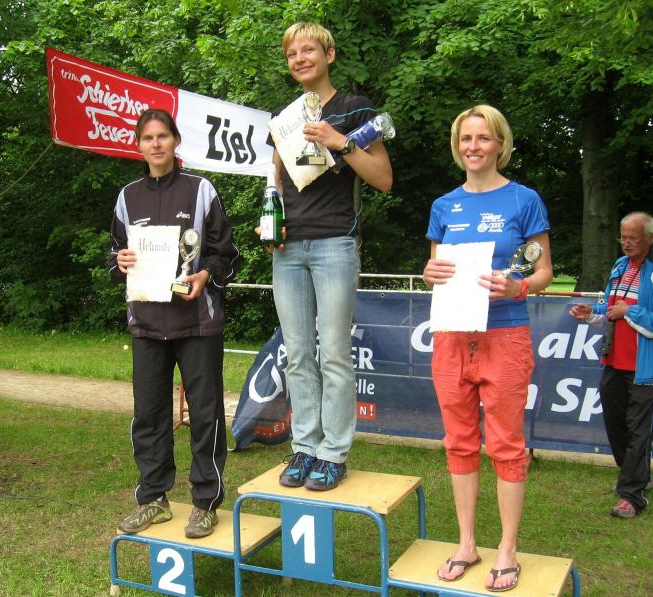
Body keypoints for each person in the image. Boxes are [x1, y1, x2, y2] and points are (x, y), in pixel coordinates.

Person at [422, 105, 553, 592]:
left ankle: (507, 549)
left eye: (482, 138)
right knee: (458, 442)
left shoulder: (524, 199)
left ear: (500, 144)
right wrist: (428, 273)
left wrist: (518, 286)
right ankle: (467, 544)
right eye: (465, 139)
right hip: (452, 335)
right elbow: (435, 270)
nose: (473, 146)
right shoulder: (443, 205)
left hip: (505, 335)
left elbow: (542, 271)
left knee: (506, 446)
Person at [262, 22, 392, 491]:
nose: (300, 59)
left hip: (335, 243)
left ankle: (333, 453)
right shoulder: (283, 118)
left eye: (308, 50)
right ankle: (304, 448)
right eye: (292, 53)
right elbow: (275, 182)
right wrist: (270, 222)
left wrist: (340, 141)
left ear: (329, 55)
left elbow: (383, 178)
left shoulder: (355, 109)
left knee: (334, 353)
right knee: (298, 354)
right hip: (288, 248)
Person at [108, 109, 240, 538]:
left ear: (176, 140)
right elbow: (115, 255)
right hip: (147, 322)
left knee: (205, 414)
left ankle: (205, 502)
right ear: (138, 145)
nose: (156, 144)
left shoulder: (201, 190)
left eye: (163, 136)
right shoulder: (127, 197)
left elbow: (226, 253)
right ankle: (153, 498)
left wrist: (206, 275)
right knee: (148, 415)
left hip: (197, 322)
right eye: (148, 138)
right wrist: (119, 261)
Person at [570, 212, 653, 519]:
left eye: (633, 238)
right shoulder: (620, 266)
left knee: (638, 430)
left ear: (650, 238)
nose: (626, 243)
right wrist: (591, 311)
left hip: (648, 366)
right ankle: (638, 474)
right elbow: (611, 307)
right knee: (615, 424)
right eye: (623, 237)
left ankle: (632, 495)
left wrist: (629, 312)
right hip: (614, 360)